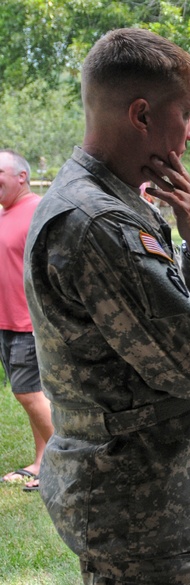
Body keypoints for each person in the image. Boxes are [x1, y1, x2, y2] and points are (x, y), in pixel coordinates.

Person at [24, 28, 190, 584]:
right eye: (186, 113)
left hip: (149, 504)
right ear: (141, 114)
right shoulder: (97, 223)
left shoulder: (114, 204)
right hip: (139, 514)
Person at [0, 149, 53, 494]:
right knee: (31, 395)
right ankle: (41, 461)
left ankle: (74, 462)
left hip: (28, 323)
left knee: (28, 393)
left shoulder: (37, 209)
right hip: (7, 321)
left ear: (21, 176)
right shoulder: (5, 213)